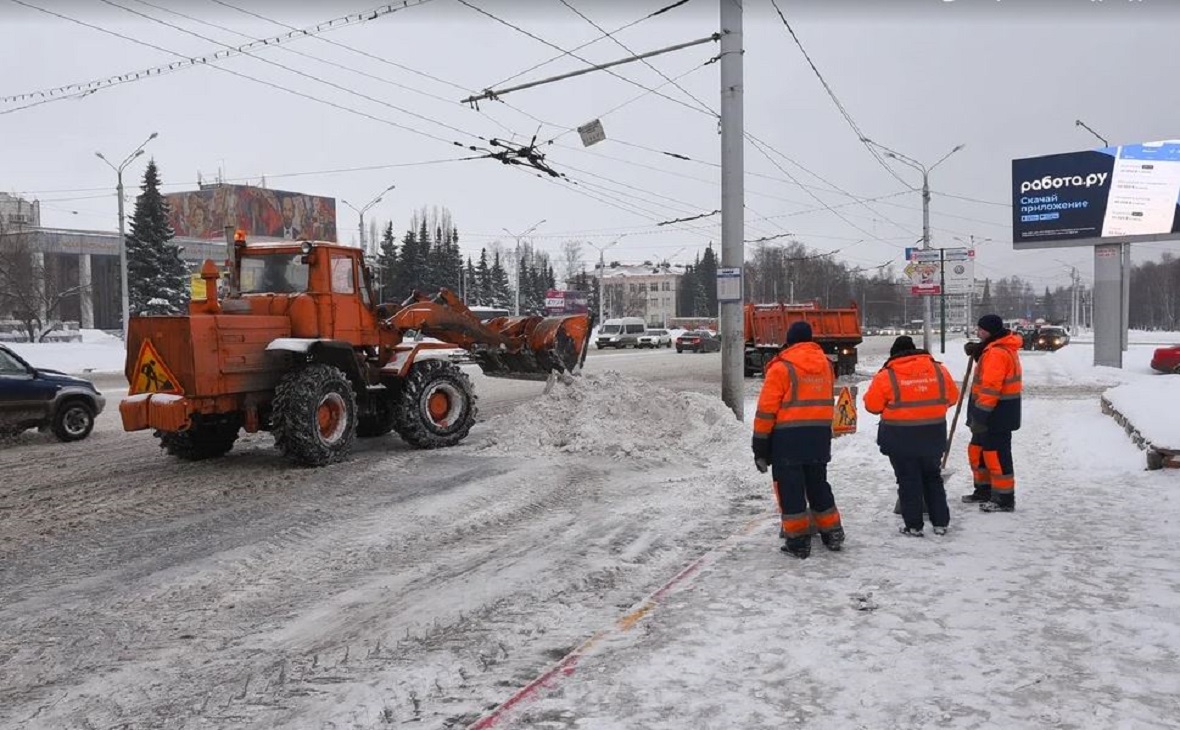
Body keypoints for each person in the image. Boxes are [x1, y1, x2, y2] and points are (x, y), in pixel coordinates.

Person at [752, 321, 844, 559]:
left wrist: (760, 444)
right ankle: (832, 531)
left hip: (789, 438)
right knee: (818, 484)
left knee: (791, 490)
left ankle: (798, 542)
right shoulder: (825, 365)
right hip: (819, 436)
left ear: (789, 341)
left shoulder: (782, 368)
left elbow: (766, 410)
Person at [864, 335, 960, 537]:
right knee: (933, 477)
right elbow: (952, 397)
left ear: (894, 355)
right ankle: (940, 523)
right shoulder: (938, 370)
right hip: (933, 434)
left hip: (901, 437)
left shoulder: (886, 375)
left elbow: (872, 406)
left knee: (908, 480)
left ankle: (914, 525)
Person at [962, 314, 1024, 512]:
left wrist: (980, 415)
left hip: (996, 414)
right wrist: (978, 350)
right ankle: (984, 490)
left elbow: (991, 388)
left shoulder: (997, 353)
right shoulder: (994, 348)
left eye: (981, 330)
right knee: (978, 450)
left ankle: (1004, 499)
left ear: (989, 331)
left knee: (996, 455)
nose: (978, 332)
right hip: (991, 412)